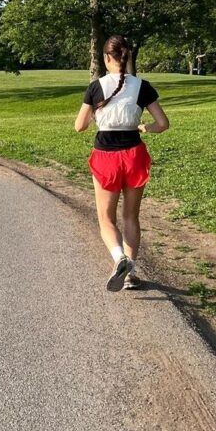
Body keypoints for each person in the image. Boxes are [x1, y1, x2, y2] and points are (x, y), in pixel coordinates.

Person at [74, 35, 169, 292]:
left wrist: (97, 113)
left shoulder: (96, 87)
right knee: (131, 216)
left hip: (106, 157)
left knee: (106, 218)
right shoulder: (143, 86)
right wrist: (144, 127)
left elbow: (79, 126)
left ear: (106, 58)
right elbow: (163, 124)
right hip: (134, 154)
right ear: (127, 57)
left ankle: (119, 259)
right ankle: (130, 273)